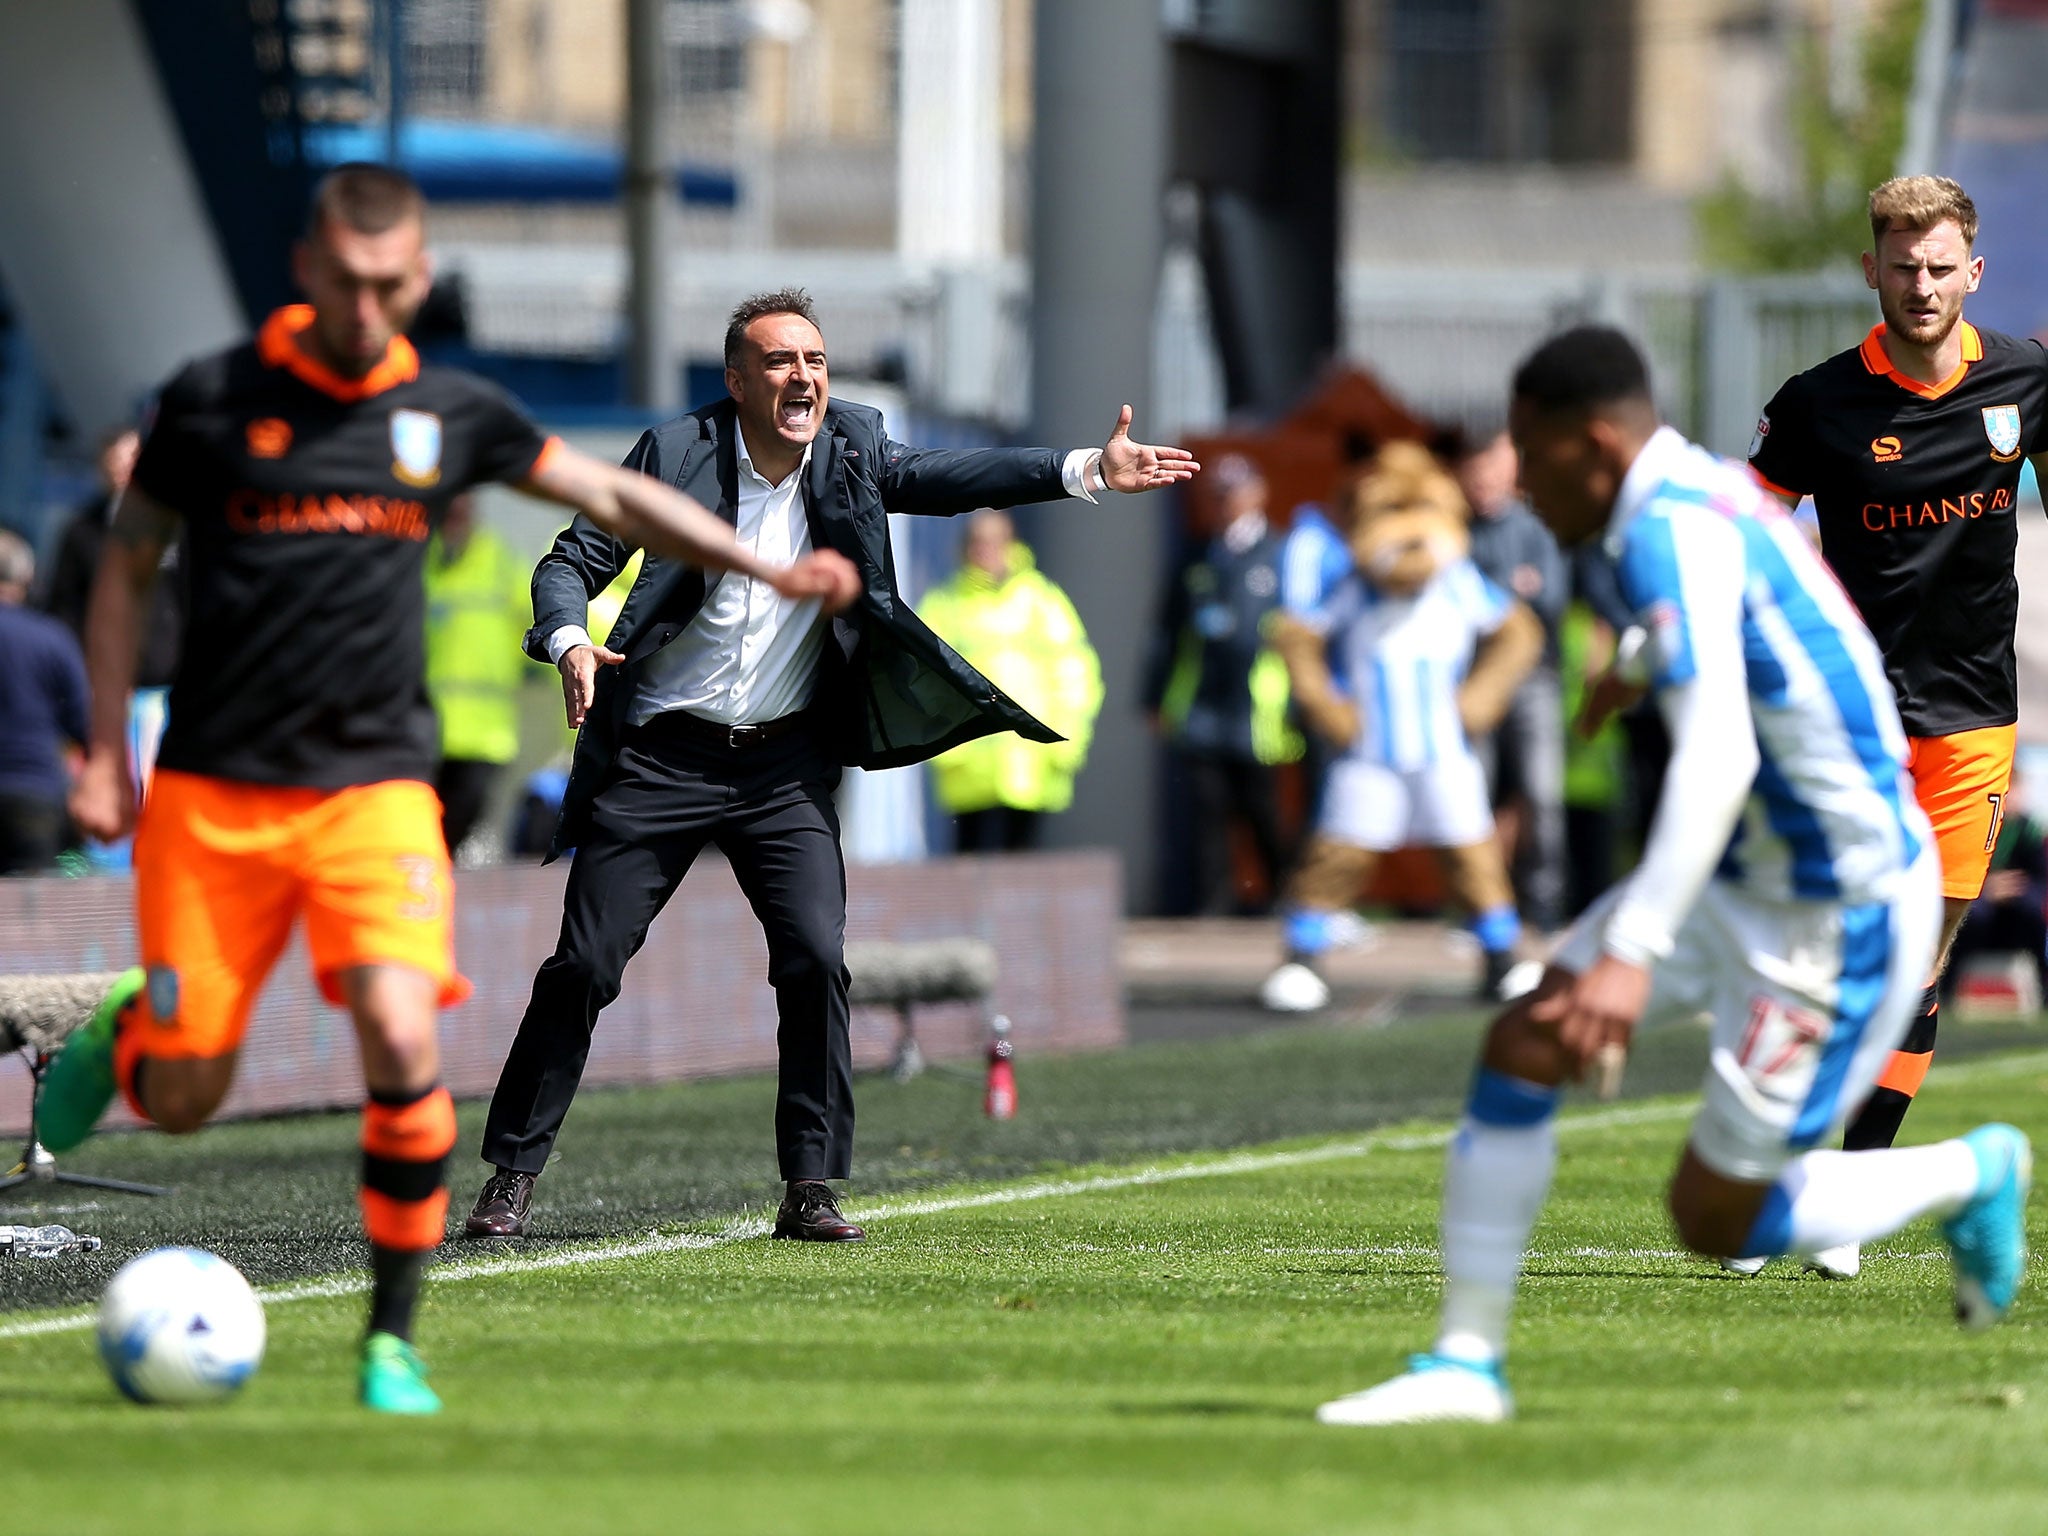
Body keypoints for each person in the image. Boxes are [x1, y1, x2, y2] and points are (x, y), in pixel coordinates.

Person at [36, 166, 860, 1415]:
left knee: (403, 1034)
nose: (370, 307)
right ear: (308, 269)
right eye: (348, 282)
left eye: (394, 285)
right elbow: (125, 569)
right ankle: (134, 1034)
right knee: (192, 1091)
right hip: (217, 794)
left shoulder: (449, 408)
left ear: (418, 281)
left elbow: (609, 495)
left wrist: (763, 565)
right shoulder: (212, 405)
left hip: (375, 789)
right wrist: (104, 748)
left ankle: (389, 1344)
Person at [1318, 327, 2027, 1428]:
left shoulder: (1665, 527)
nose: (1511, 477)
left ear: (1592, 446)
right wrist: (1637, 666)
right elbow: (1749, 615)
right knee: (1522, 1038)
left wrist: (1631, 955)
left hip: (1835, 905)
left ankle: (1971, 1173)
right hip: (1750, 869)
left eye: (1528, 451)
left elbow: (1717, 755)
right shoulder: (1684, 495)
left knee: (1715, 1218)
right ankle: (1463, 1364)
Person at [463, 288, 1196, 1242]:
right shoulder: (676, 453)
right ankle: (509, 1177)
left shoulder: (853, 443)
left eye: (813, 360)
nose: (803, 376)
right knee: (585, 965)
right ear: (736, 383)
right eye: (778, 362)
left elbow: (946, 477)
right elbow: (570, 561)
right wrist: (568, 640)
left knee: (814, 958)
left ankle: (811, 1186)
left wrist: (1086, 468)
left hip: (785, 765)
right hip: (663, 758)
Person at [1747, 175, 2048, 1279]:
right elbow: (1751, 530)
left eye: (1939, 269)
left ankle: (1847, 1195)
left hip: (1971, 720)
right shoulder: (1819, 404)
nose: (1919, 287)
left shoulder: (2022, 379)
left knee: (1919, 964)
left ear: (1970, 272)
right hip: (1849, 717)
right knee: (1835, 954)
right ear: (1869, 270)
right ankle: (1778, 1168)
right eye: (1901, 267)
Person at [1263, 443, 1542, 1010]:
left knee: (1473, 855)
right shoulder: (1355, 586)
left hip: (1443, 747)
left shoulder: (1458, 582)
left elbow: (1517, 632)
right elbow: (1297, 635)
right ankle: (1302, 957)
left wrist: (1481, 699)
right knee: (1338, 854)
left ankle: (1501, 956)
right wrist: (1327, 704)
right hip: (1371, 749)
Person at [1146, 454, 1299, 915]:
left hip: (1258, 706)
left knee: (1261, 808)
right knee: (1207, 809)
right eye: (1218, 495)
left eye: (1234, 492)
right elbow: (1166, 632)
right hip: (1202, 704)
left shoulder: (1281, 554)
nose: (1226, 504)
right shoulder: (1196, 555)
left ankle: (1282, 898)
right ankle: (1214, 904)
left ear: (1258, 494)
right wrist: (1153, 696)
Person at [916, 508, 1103, 852]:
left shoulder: (1041, 601)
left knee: (1022, 871)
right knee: (968, 870)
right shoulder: (944, 604)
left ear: (1010, 544)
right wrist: (940, 742)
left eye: (993, 542)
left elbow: (1075, 675)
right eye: (977, 542)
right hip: (967, 766)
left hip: (1031, 763)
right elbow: (920, 681)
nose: (984, 550)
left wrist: (1068, 740)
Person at [1458, 424, 1570, 931]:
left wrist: (1488, 596)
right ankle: (1481, 905)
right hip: (1472, 680)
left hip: (1532, 680)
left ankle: (1543, 904)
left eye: (1490, 470)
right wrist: (1513, 589)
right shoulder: (1453, 528)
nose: (1481, 482)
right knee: (1470, 795)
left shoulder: (1536, 525)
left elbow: (1550, 599)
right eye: (1474, 472)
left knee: (1540, 794)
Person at [424, 490, 539, 854]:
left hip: (484, 735)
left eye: (462, 505)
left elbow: (537, 628)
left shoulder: (502, 563)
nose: (455, 514)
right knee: (421, 840)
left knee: (457, 834)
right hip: (423, 731)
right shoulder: (418, 562)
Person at [0, 532, 89, 873]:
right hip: (35, 794)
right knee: (31, 912)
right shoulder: (52, 638)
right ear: (25, 580)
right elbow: (84, 723)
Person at [1938, 768, 2048, 1009]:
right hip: (1981, 911)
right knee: (1970, 916)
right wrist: (1989, 892)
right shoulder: (1980, 828)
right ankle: (1945, 990)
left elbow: (2041, 883)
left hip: (2017, 914)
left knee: (2033, 912)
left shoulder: (2029, 832)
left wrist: (2017, 891)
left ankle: (2043, 990)